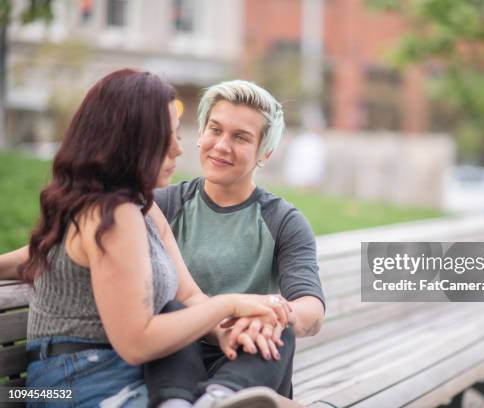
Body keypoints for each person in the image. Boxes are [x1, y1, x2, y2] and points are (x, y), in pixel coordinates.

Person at [0, 69, 291, 407]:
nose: (178, 150)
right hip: (80, 382)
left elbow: (190, 295)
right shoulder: (112, 214)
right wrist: (230, 304)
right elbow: (137, 342)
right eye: (165, 136)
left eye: (178, 135)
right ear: (131, 139)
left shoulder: (141, 209)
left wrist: (229, 330)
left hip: (133, 374)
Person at [151, 80, 326, 405]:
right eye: (215, 130)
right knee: (171, 308)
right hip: (175, 365)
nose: (221, 146)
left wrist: (272, 313)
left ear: (265, 153)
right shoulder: (163, 206)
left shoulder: (283, 221)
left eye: (240, 137)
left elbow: (311, 310)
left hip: (251, 367)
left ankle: (220, 399)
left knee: (279, 319)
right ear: (201, 132)